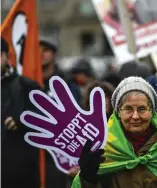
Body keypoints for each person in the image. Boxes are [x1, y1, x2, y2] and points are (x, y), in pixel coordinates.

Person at [72, 76, 157, 188]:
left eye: (142, 109)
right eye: (128, 109)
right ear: (118, 112)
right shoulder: (101, 147)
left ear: (152, 112)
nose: (135, 116)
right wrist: (87, 178)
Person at [40, 36, 81, 188]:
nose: (40, 54)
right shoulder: (27, 82)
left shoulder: (66, 82)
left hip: (60, 154)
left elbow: (77, 119)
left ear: (54, 54)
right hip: (35, 154)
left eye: (46, 51)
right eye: (36, 50)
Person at [1, 38, 40, 188]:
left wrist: (22, 120)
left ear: (7, 57)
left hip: (21, 175)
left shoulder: (26, 86)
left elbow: (46, 118)